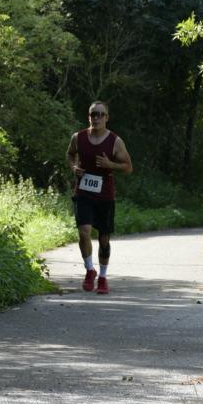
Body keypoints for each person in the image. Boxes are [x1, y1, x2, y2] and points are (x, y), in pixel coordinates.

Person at [66, 101, 133, 294]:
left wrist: (110, 164)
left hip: (105, 194)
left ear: (107, 118)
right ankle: (89, 270)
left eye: (100, 114)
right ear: (88, 117)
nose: (96, 118)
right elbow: (70, 155)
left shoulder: (115, 141)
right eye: (93, 114)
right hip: (83, 191)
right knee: (84, 232)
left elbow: (128, 167)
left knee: (104, 239)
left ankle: (102, 277)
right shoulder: (78, 138)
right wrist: (74, 168)